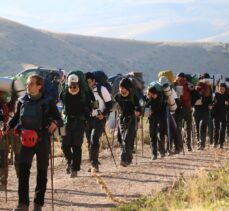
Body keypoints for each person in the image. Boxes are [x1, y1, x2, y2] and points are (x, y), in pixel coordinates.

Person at [8, 75, 63, 211]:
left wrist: (55, 123)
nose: (28, 86)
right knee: (23, 173)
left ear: (39, 86)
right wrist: (6, 126)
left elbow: (59, 119)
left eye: (32, 84)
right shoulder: (21, 101)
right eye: (28, 83)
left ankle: (38, 204)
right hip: (26, 141)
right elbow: (15, 119)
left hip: (42, 140)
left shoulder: (48, 102)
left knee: (42, 173)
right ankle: (23, 204)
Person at [61, 74, 91, 177]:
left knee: (77, 146)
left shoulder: (84, 93)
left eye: (74, 86)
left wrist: (88, 113)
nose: (72, 88)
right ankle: (70, 162)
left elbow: (90, 105)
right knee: (64, 145)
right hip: (67, 121)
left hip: (80, 122)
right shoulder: (64, 93)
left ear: (78, 84)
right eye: (70, 86)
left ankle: (75, 168)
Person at [85, 72, 113, 172]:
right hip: (89, 119)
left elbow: (110, 104)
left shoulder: (102, 89)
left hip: (99, 118)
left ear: (93, 81)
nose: (87, 84)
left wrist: (103, 114)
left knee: (94, 138)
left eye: (88, 82)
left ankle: (95, 165)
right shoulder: (85, 91)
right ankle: (92, 162)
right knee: (89, 141)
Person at [114, 77, 141, 166]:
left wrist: (137, 111)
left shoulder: (133, 96)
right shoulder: (117, 96)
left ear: (128, 88)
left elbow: (138, 107)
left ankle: (124, 159)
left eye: (123, 88)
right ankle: (129, 157)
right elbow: (113, 105)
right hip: (121, 119)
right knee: (120, 139)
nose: (121, 89)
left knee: (126, 139)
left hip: (132, 119)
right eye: (120, 87)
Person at [0, 100, 21, 191]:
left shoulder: (16, 97)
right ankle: (3, 182)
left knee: (18, 156)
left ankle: (22, 181)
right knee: (3, 157)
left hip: (15, 130)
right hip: (3, 132)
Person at [174, 73, 193, 151]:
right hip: (188, 108)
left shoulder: (177, 84)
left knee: (178, 127)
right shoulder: (188, 84)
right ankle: (189, 146)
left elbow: (178, 98)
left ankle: (180, 145)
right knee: (188, 127)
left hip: (179, 108)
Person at [193, 81, 213, 150]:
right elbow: (192, 102)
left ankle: (202, 144)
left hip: (205, 112)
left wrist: (210, 105)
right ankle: (199, 143)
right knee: (198, 128)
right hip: (197, 112)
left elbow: (210, 102)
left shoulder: (208, 93)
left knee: (202, 126)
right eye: (199, 90)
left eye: (201, 90)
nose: (200, 91)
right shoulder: (195, 93)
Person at [212, 82, 229, 148]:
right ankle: (215, 142)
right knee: (216, 128)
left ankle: (221, 143)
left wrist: (227, 104)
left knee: (223, 129)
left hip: (224, 114)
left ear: (225, 89)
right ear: (218, 88)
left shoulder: (227, 96)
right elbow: (213, 103)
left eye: (222, 89)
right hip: (216, 114)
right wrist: (213, 104)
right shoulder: (216, 94)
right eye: (220, 89)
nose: (221, 90)